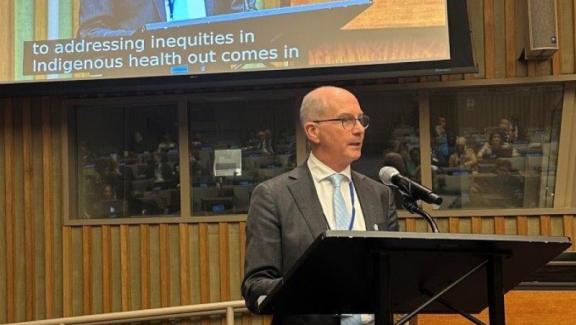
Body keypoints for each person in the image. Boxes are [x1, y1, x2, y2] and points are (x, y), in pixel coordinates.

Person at [241, 86, 399, 325]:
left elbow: (393, 275)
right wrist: (320, 286)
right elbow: (256, 286)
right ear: (313, 131)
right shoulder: (273, 196)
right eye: (346, 120)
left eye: (361, 120)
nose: (358, 129)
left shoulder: (379, 194)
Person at [78, 0, 257, 38]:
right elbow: (89, 34)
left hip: (215, 85)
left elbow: (245, 24)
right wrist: (140, 40)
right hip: (138, 89)